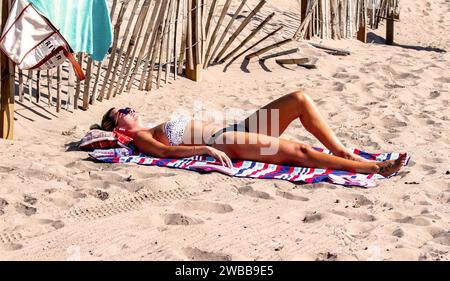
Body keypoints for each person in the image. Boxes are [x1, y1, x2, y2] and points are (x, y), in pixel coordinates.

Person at [91, 91, 407, 177]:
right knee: (297, 151)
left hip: (238, 128)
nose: (129, 109)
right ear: (117, 126)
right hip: (223, 141)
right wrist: (203, 150)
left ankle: (342, 152)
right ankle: (371, 168)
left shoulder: (150, 126)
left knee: (299, 99)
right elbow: (165, 153)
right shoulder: (139, 138)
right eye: (122, 111)